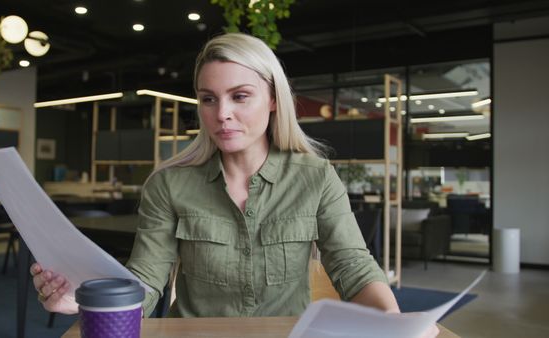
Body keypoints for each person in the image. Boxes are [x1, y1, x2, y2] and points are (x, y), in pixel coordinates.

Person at [32, 32, 437, 336]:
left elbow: (353, 266)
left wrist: (393, 321)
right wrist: (86, 303)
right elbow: (147, 282)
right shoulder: (170, 184)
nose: (221, 113)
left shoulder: (315, 177)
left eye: (240, 96)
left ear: (273, 98)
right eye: (208, 99)